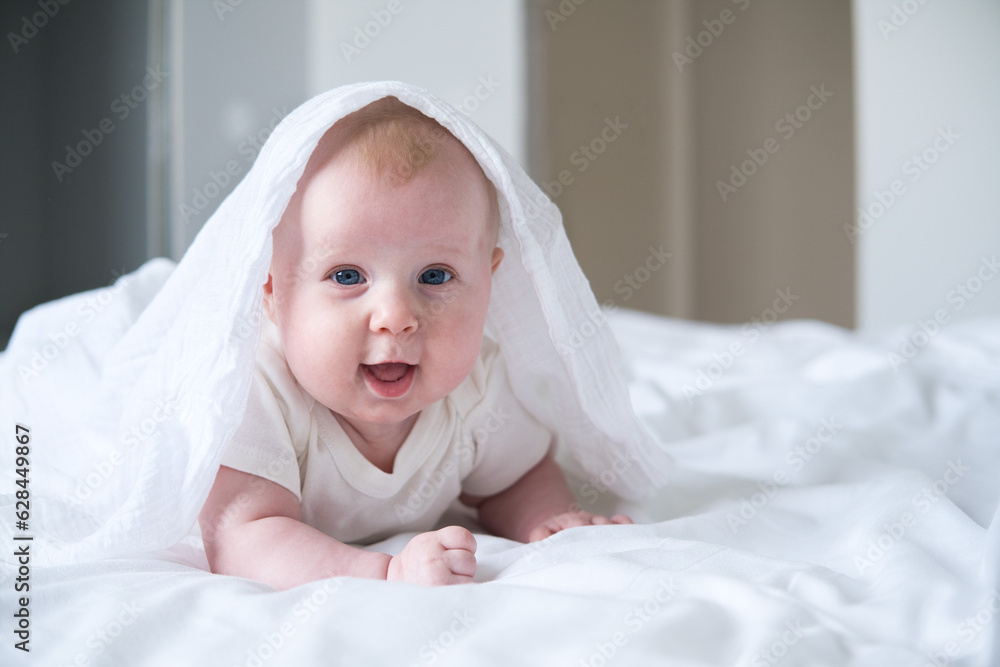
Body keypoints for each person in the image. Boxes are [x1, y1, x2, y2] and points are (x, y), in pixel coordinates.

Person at [198, 96, 632, 590]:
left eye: (435, 274)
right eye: (347, 275)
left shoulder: (476, 385)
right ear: (274, 294)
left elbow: (516, 478)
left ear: (489, 282)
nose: (397, 318)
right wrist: (385, 571)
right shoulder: (257, 390)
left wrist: (550, 520)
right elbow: (241, 538)